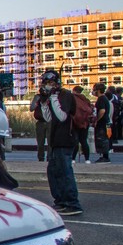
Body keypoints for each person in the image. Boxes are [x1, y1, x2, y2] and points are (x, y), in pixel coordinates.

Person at [33, 70, 82, 216]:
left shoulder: (65, 95)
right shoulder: (51, 97)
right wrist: (43, 102)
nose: (48, 86)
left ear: (57, 83)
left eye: (51, 83)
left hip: (66, 139)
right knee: (53, 172)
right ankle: (60, 200)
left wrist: (53, 97)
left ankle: (72, 202)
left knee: (65, 172)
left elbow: (62, 117)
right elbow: (48, 118)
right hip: (55, 139)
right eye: (46, 83)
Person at [91, 83, 111, 163]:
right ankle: (104, 156)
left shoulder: (101, 99)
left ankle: (105, 157)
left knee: (102, 139)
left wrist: (97, 120)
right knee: (104, 139)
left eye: (94, 90)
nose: (93, 91)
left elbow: (102, 111)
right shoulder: (104, 98)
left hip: (102, 123)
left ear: (98, 90)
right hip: (106, 122)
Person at [30, 91, 50, 162]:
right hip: (40, 122)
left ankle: (49, 158)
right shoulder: (38, 97)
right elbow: (31, 108)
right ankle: (41, 157)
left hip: (49, 121)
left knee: (50, 142)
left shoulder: (51, 97)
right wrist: (37, 102)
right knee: (40, 142)